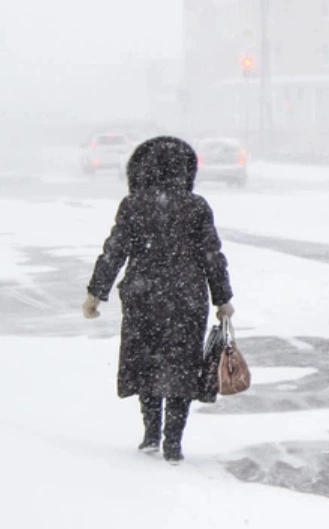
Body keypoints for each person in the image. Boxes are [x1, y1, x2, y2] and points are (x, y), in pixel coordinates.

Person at [82, 136, 234, 464]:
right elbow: (212, 255)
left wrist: (96, 292)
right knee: (182, 367)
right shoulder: (196, 207)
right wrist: (222, 298)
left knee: (146, 362)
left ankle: (151, 434)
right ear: (184, 171)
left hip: (142, 296)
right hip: (187, 299)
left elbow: (115, 250)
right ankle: (173, 442)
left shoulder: (133, 205)